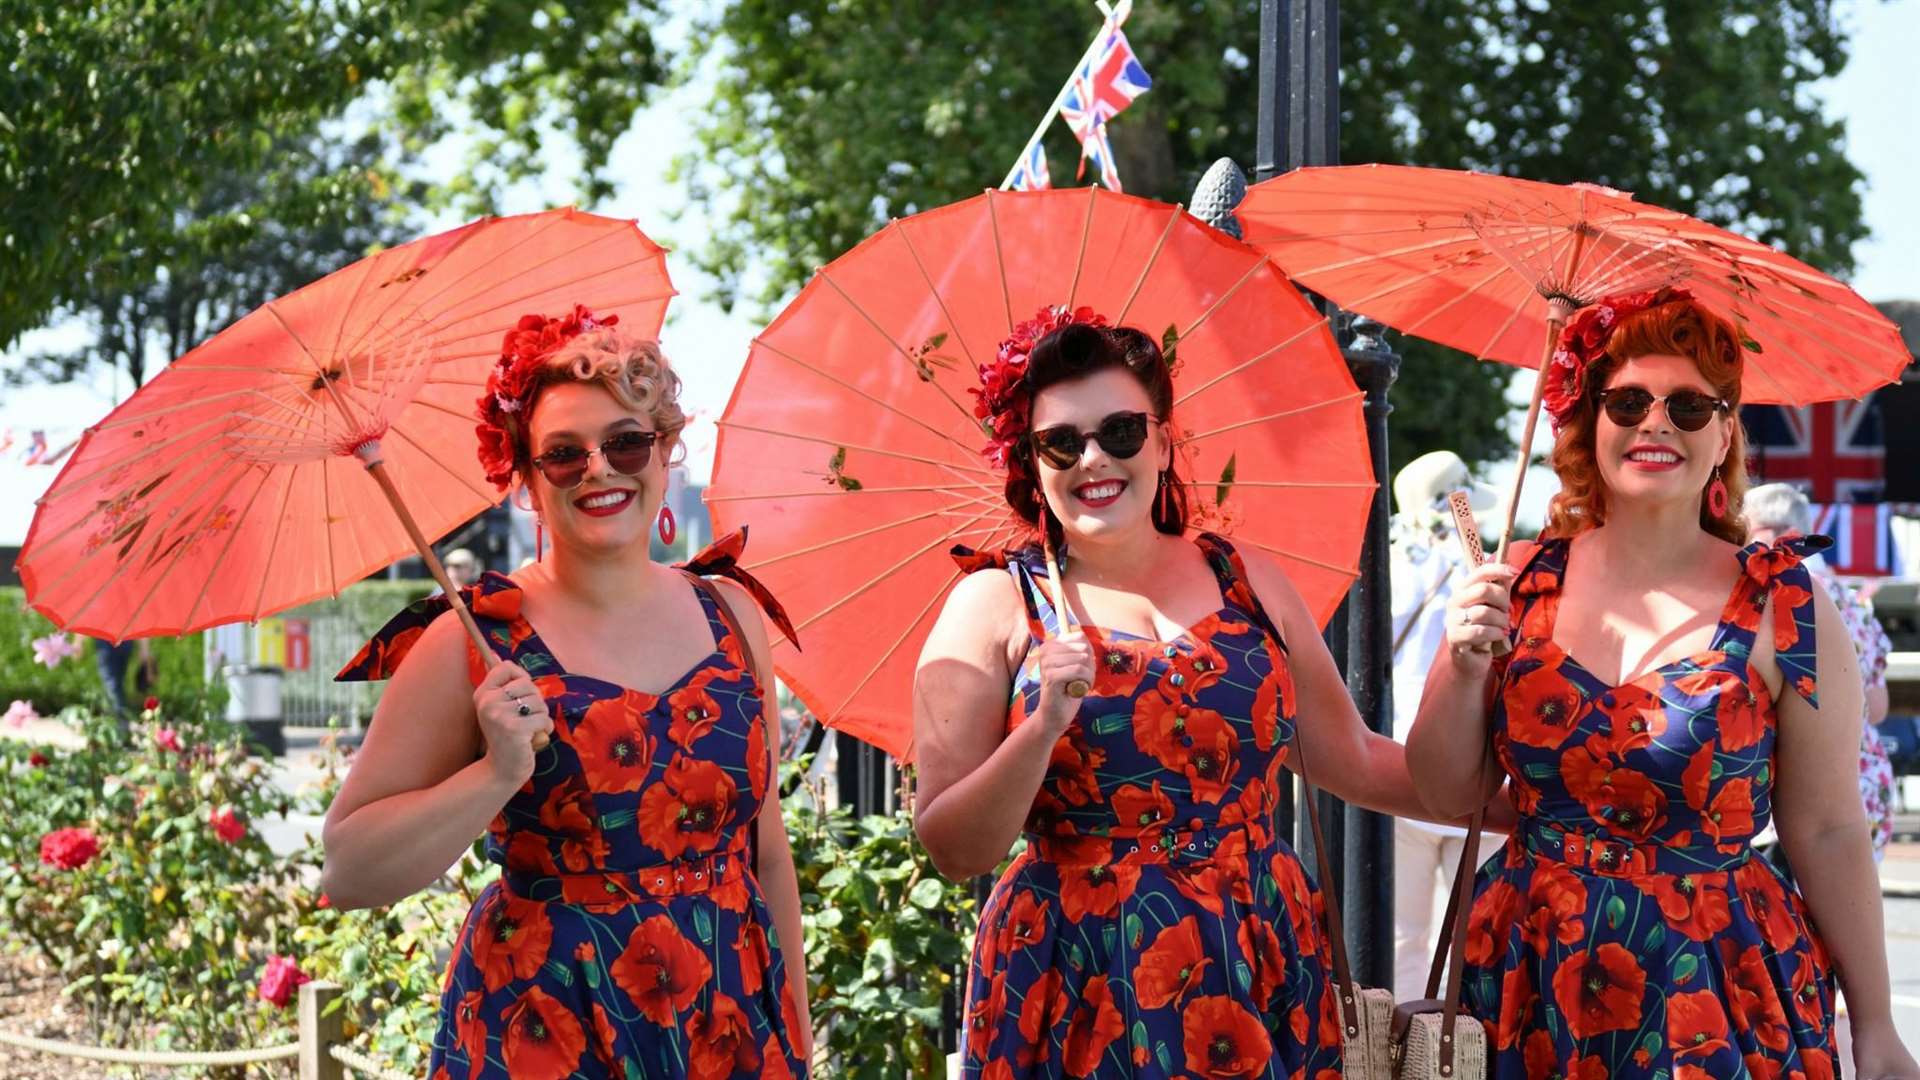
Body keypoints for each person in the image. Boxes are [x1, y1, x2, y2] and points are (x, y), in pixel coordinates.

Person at [1410, 287, 1918, 1079]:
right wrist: (1466, 663)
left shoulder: (1788, 606)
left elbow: (1826, 828)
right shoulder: (1518, 582)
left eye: (1687, 406)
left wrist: (1879, 1025)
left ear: (1724, 436)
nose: (1654, 422)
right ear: (1589, 423)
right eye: (1627, 401)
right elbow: (1445, 792)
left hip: (1714, 984)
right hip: (1526, 972)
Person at [914, 313, 1437, 1079]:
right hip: (1082, 971)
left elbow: (1354, 759)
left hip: (1258, 951)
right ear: (1032, 462)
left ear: (1162, 442)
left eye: (1121, 430)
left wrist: (1524, 795)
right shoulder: (995, 602)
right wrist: (1042, 727)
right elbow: (953, 847)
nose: (1095, 458)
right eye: (1063, 441)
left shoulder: (1246, 577)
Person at [321, 308, 811, 1079]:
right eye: (562, 455)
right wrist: (493, 774)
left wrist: (796, 1040)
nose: (599, 468)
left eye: (625, 442)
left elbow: (768, 857)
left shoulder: (733, 613)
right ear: (523, 476)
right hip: (549, 1025)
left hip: (727, 1019)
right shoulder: (473, 642)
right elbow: (347, 870)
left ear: (665, 448)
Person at [1386, 450, 1497, 1000]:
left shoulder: (1388, 567)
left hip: (1395, 762)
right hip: (1467, 768)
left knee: (1401, 939)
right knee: (1470, 941)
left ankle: (1408, 1052)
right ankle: (1459, 1047)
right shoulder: (1481, 573)